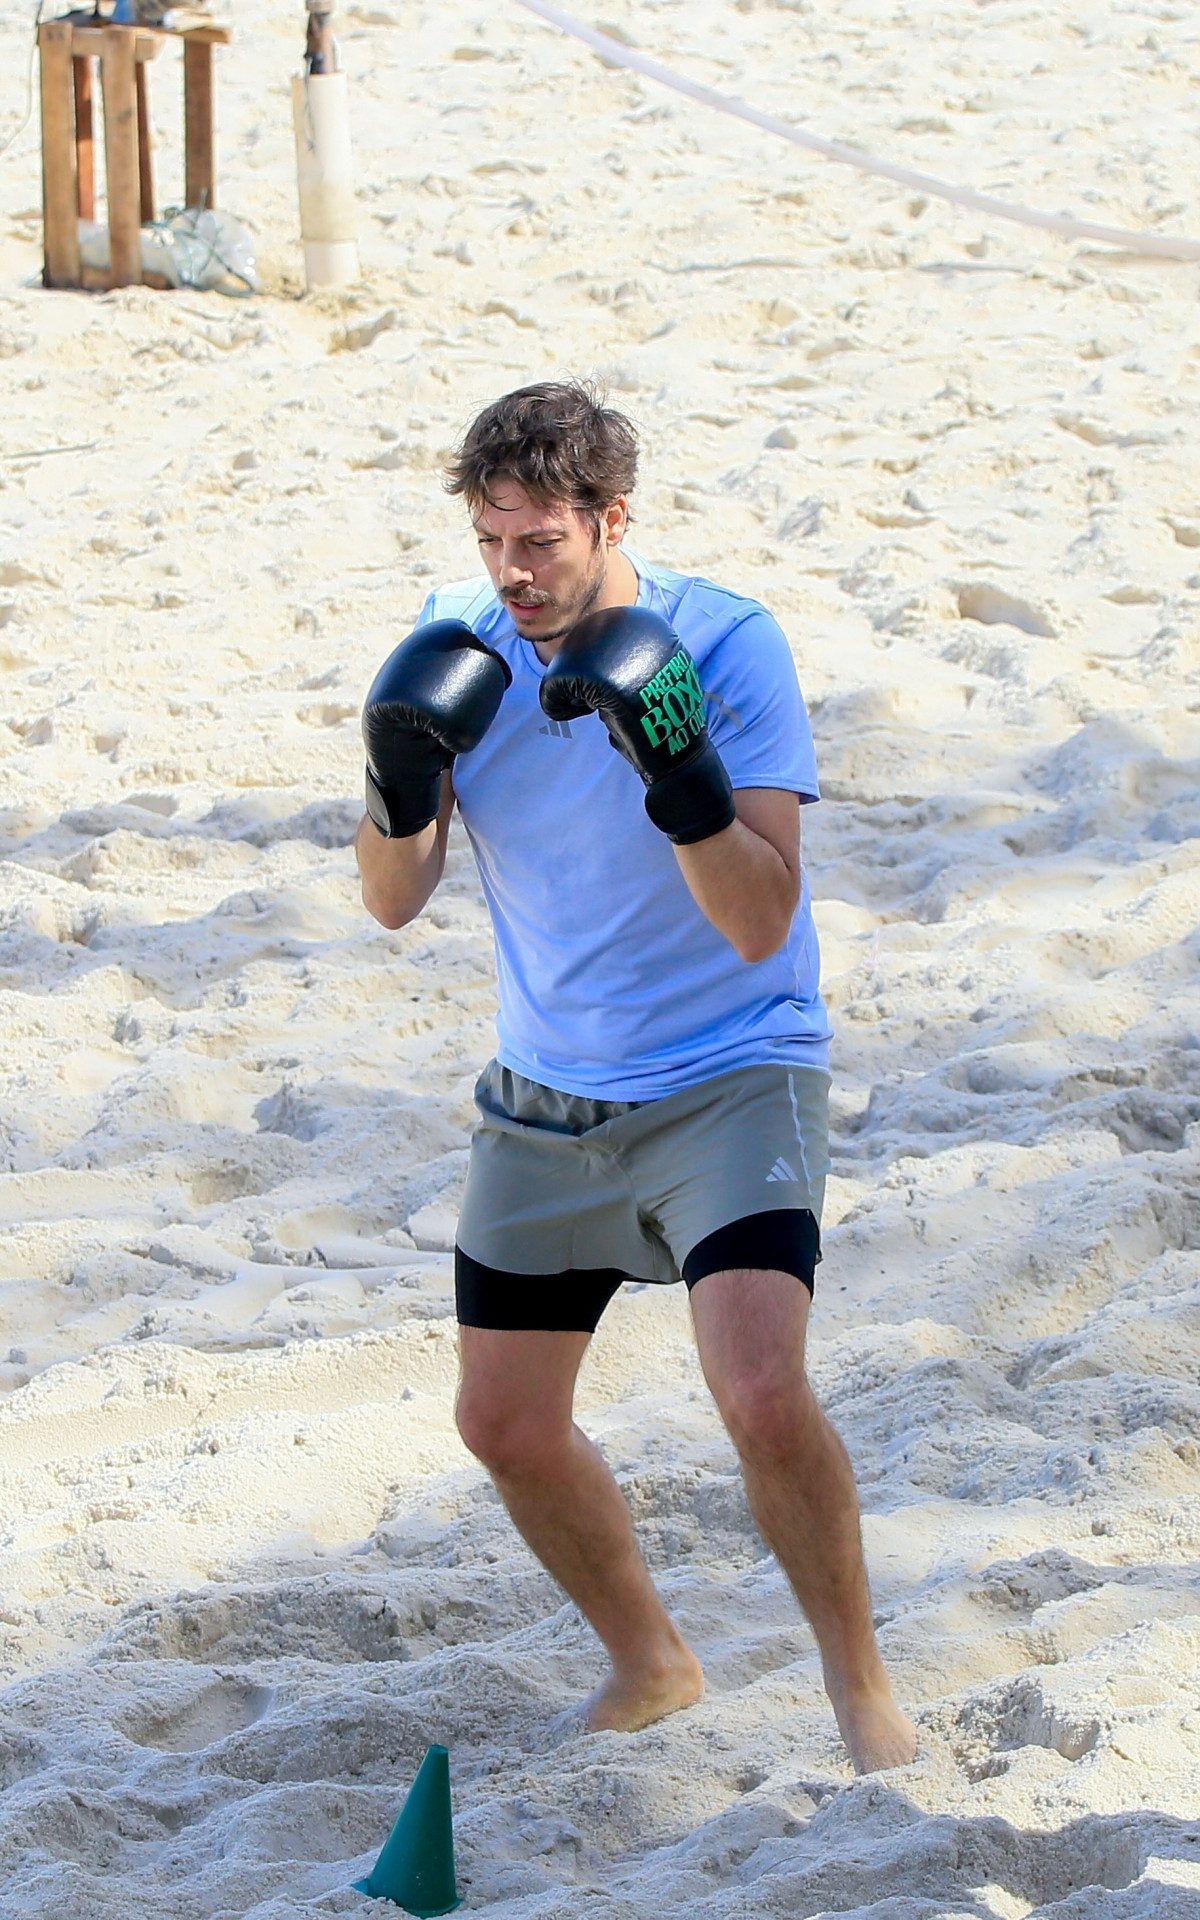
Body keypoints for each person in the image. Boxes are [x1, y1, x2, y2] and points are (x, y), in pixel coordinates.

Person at [355, 382, 916, 1773]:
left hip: (733, 1071)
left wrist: (676, 765)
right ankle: (652, 1659)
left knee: (759, 1390)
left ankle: (861, 1694)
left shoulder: (726, 644)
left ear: (613, 519)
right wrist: (392, 778)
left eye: (541, 540)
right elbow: (390, 901)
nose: (515, 575)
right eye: (494, 543)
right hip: (548, 1098)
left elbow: (758, 917)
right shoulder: (462, 650)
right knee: (501, 1421)